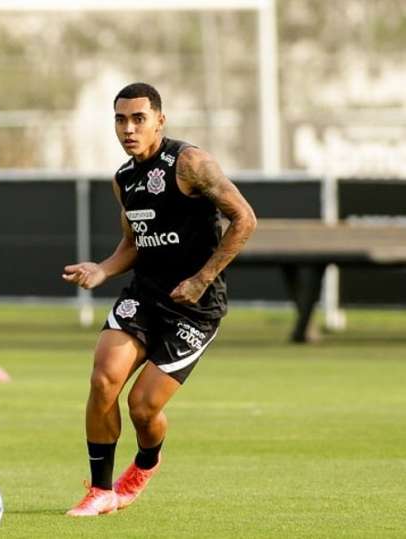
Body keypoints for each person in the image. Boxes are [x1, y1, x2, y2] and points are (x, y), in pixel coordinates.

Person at [63, 82, 257, 517]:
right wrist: (103, 268)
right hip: (145, 296)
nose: (128, 128)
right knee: (102, 381)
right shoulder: (124, 179)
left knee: (142, 407)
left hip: (195, 306)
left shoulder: (190, 164)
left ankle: (146, 462)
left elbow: (244, 218)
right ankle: (100, 491)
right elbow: (133, 243)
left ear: (159, 121)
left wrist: (202, 278)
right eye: (120, 119)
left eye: (138, 119)